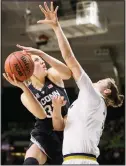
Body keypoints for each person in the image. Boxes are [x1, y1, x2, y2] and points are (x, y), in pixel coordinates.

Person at [32, 2, 124, 164]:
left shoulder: (94, 96)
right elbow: (59, 126)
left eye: (101, 81)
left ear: (107, 91)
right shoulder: (81, 106)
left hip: (82, 161)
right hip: (71, 160)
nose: (95, 81)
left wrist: (56, 27)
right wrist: (57, 109)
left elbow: (69, 59)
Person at [3, 41, 72, 164]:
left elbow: (68, 73)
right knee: (30, 161)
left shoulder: (52, 76)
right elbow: (41, 115)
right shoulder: (25, 95)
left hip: (66, 132)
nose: (42, 62)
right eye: (36, 60)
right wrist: (24, 87)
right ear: (28, 68)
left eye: (41, 60)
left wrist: (42, 53)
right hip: (43, 132)